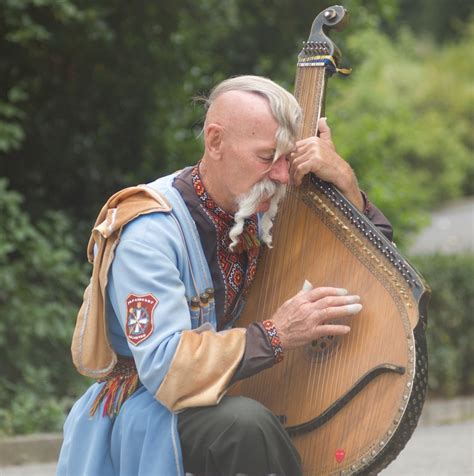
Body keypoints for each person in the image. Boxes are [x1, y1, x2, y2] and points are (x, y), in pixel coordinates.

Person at [57, 75, 393, 476]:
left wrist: (346, 185)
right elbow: (168, 372)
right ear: (215, 142)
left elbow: (371, 267)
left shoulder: (259, 207)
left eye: (288, 159)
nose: (283, 175)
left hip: (233, 387)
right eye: (268, 156)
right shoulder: (148, 233)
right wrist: (275, 335)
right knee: (245, 425)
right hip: (146, 411)